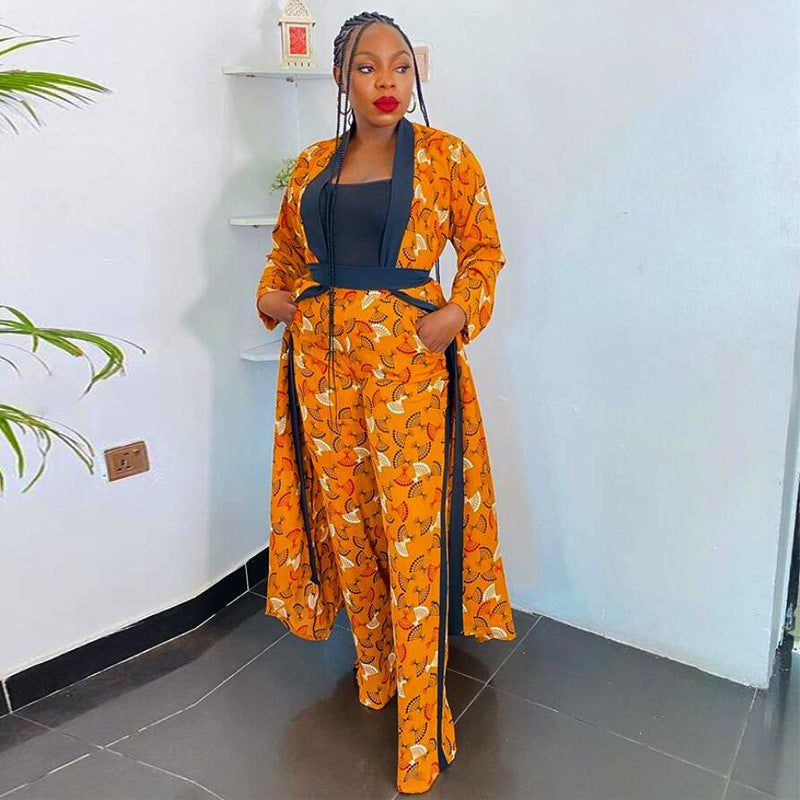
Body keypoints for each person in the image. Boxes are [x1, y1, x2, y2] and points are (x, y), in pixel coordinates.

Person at [255, 11, 516, 795]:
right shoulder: (313, 163)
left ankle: (422, 723)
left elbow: (483, 249)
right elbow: (285, 251)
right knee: (353, 528)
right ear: (342, 78)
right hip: (322, 370)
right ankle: (376, 672)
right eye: (367, 68)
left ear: (415, 72)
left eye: (400, 65)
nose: (386, 82)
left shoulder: (445, 156)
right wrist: (271, 298)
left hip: (408, 372)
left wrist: (456, 313)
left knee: (411, 538)